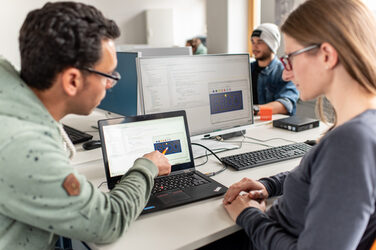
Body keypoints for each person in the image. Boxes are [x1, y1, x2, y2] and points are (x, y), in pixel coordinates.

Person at [0, 2, 171, 249]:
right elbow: (108, 220)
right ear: (72, 80)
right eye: (109, 76)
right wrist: (147, 166)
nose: (110, 86)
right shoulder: (23, 144)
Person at [223, 0, 376, 249]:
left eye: (291, 58)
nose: (286, 74)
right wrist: (269, 184)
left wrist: (248, 216)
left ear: (326, 55)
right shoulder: (358, 125)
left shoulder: (351, 143)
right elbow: (322, 177)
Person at [250, 23, 299, 115]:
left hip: (272, 125)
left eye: (260, 42)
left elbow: (286, 105)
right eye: (253, 41)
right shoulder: (247, 69)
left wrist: (255, 110)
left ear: (271, 45)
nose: (254, 47)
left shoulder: (286, 71)